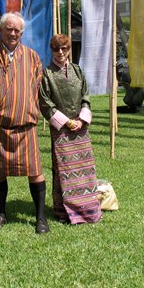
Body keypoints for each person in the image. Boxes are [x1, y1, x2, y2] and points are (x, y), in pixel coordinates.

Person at [0, 12, 49, 234]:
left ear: (22, 33)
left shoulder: (33, 57)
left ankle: (41, 218)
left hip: (24, 126)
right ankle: (0, 214)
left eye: (17, 30)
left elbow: (37, 87)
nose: (13, 33)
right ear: (0, 30)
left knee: (35, 170)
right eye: (9, 29)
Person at [39, 34, 102, 224]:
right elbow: (45, 103)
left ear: (68, 50)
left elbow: (86, 96)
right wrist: (67, 122)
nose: (60, 53)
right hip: (61, 130)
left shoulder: (77, 71)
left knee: (84, 169)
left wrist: (82, 119)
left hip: (80, 129)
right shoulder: (46, 74)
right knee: (63, 169)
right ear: (51, 50)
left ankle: (88, 209)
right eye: (56, 49)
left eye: (64, 48)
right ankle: (65, 211)